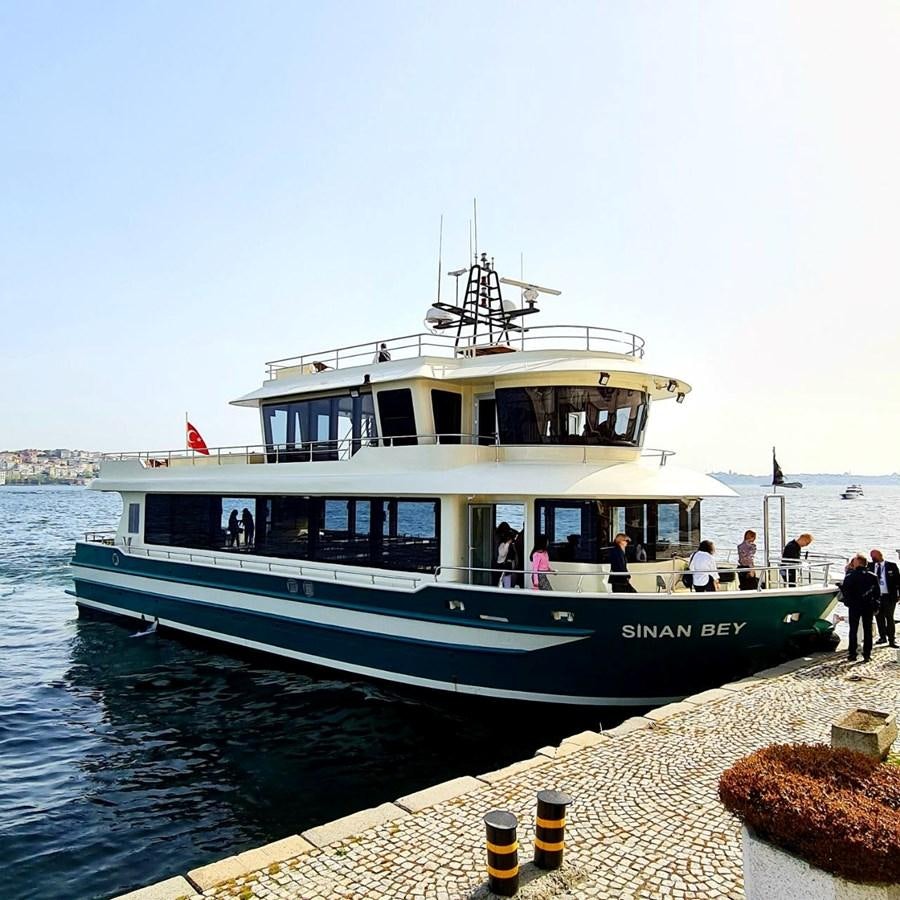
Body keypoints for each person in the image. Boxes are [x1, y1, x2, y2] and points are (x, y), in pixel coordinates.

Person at [841, 554, 881, 661]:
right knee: (867, 630)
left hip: (854, 606)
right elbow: (877, 593)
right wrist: (876, 606)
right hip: (868, 605)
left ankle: (852, 653)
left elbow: (846, 591)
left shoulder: (851, 575)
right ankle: (867, 654)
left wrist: (847, 602)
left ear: (858, 563)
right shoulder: (872, 576)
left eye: (854, 562)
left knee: (853, 630)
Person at [867, 549, 899, 647]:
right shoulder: (870, 566)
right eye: (871, 557)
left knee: (889, 617)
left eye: (874, 556)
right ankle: (882, 637)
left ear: (880, 555)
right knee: (879, 617)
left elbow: (898, 581)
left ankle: (892, 640)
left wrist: (898, 594)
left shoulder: (891, 566)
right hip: (876, 596)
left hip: (889, 596)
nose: (873, 558)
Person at [495, 523, 519, 589]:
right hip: (502, 565)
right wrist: (508, 543)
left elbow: (513, 555)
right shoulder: (503, 544)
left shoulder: (510, 545)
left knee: (507, 582)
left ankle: (507, 590)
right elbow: (502, 554)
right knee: (502, 581)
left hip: (508, 565)